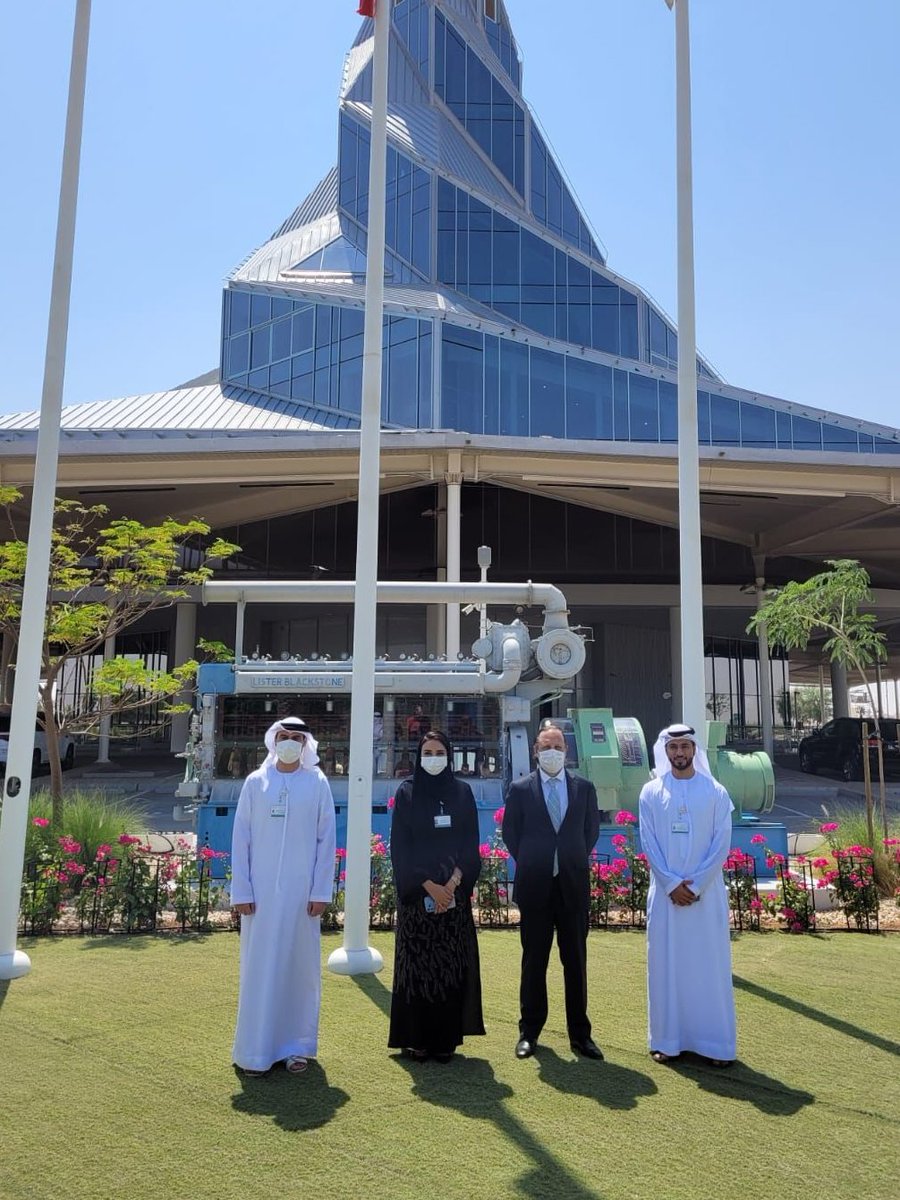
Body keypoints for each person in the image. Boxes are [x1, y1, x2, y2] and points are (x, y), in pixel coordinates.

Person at [230, 716, 337, 1077]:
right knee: (259, 970)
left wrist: (321, 890)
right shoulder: (255, 783)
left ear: (306, 743)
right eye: (284, 736)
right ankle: (255, 1052)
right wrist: (241, 890)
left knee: (297, 970)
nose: (290, 741)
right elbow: (240, 839)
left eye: (296, 737)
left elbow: (327, 841)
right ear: (273, 739)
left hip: (301, 898)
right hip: (259, 898)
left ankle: (296, 1047)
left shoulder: (317, 782)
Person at [502, 720, 603, 1061]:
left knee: (575, 962)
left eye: (558, 747)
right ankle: (529, 1032)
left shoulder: (584, 788)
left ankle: (580, 1036)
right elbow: (511, 835)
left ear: (566, 752)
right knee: (534, 962)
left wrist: (568, 858)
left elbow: (590, 832)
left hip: (572, 887)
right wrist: (536, 861)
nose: (552, 752)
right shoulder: (520, 790)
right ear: (535, 752)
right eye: (546, 747)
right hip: (536, 888)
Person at [638, 723, 737, 1068]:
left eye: (684, 746)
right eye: (673, 747)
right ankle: (667, 1041)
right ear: (665, 751)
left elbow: (721, 844)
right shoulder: (651, 792)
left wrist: (695, 886)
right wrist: (670, 884)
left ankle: (716, 1044)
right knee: (666, 967)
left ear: (694, 749)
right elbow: (648, 842)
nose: (679, 753)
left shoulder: (715, 792)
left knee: (709, 968)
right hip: (666, 899)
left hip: (705, 899)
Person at [388, 729, 485, 1062]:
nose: (433, 759)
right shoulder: (406, 794)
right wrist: (429, 886)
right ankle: (416, 1039)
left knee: (449, 967)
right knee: (418, 968)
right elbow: (401, 849)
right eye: (427, 753)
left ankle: (445, 1041)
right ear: (418, 757)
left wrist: (453, 883)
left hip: (453, 900)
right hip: (418, 900)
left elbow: (470, 844)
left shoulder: (462, 793)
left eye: (438, 752)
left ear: (450, 755)